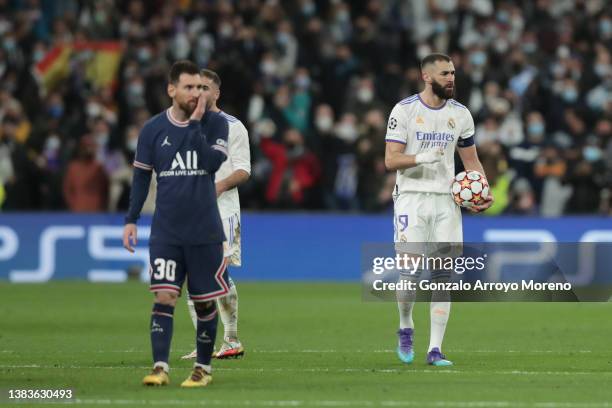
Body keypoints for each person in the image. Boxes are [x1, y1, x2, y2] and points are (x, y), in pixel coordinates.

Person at [122, 60, 229, 387]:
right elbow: (141, 177)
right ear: (172, 90)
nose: (197, 93)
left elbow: (212, 163)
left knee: (204, 302)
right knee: (164, 297)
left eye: (201, 87)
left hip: (204, 231)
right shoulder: (153, 129)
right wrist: (131, 219)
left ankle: (202, 369)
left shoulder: (215, 125)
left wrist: (196, 123)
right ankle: (160, 367)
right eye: (190, 87)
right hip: (167, 231)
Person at [384, 53, 493, 366]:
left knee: (443, 276)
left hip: (446, 201)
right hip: (411, 197)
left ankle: (435, 349)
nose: (451, 78)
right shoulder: (404, 110)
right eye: (445, 73)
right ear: (427, 76)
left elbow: (471, 161)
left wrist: (482, 191)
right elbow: (390, 160)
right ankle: (406, 326)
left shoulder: (460, 114)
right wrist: (421, 158)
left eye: (454, 73)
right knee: (409, 275)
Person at [182, 69, 251, 360]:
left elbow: (244, 170)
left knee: (216, 272)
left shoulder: (234, 127)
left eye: (206, 88)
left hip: (223, 209)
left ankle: (232, 338)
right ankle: (205, 345)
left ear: (217, 93)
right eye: (196, 88)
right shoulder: (186, 125)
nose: (199, 93)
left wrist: (218, 186)